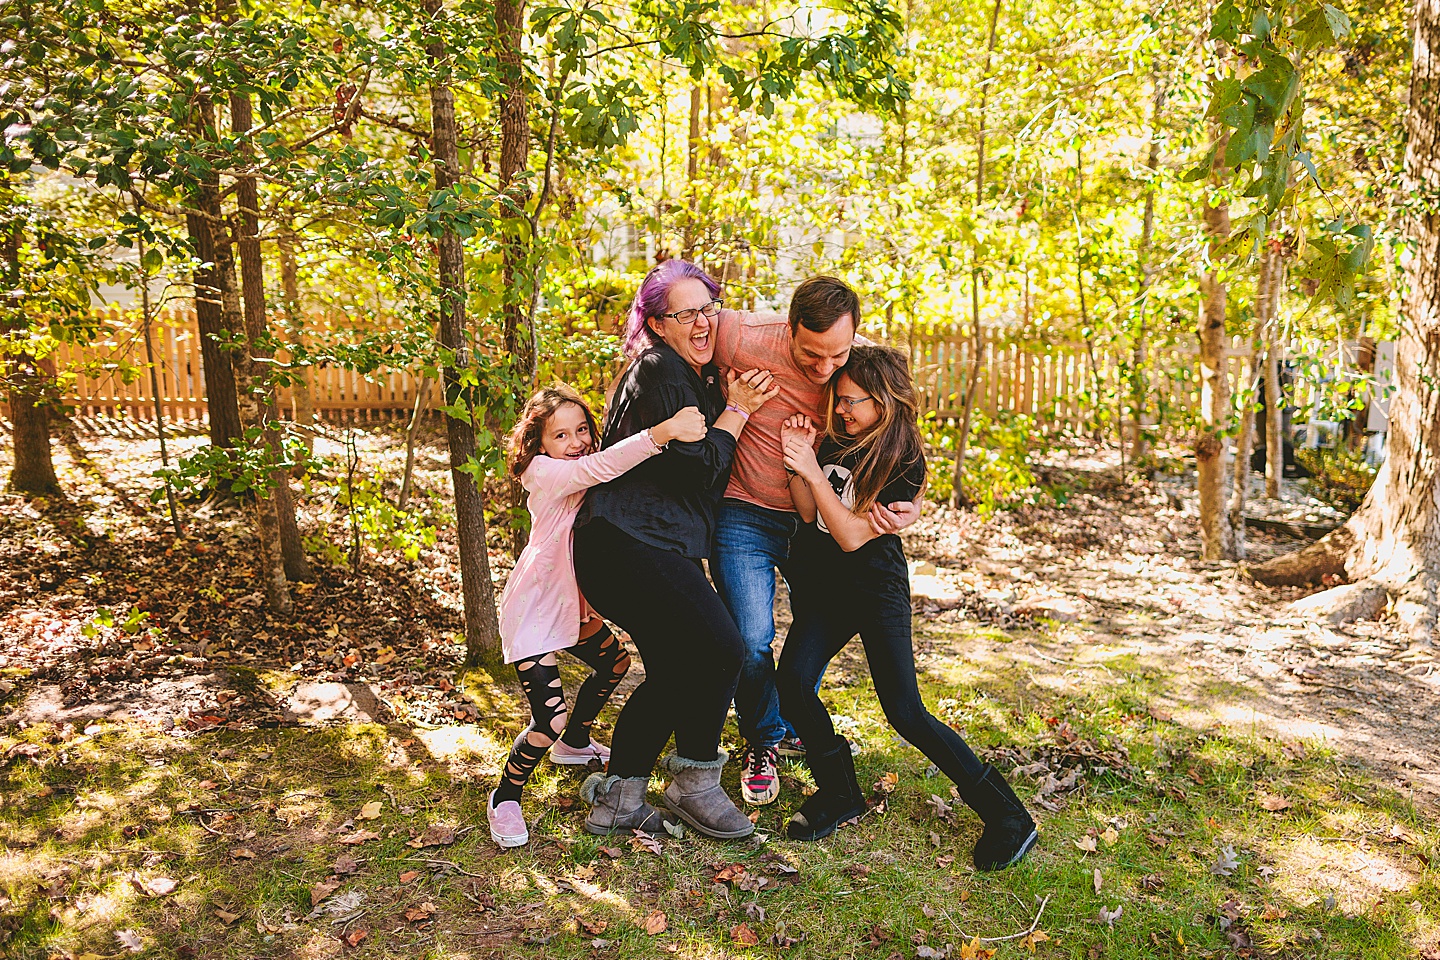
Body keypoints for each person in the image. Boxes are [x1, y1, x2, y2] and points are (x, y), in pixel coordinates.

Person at [776, 346, 1038, 871]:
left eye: (853, 401)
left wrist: (810, 466)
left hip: (874, 588)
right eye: (839, 399)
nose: (842, 409)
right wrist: (798, 459)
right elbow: (809, 514)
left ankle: (1008, 815)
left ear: (885, 402)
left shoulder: (903, 461)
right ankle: (839, 792)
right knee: (794, 684)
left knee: (904, 711)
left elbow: (851, 536)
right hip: (827, 590)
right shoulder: (837, 440)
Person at [573, 259, 780, 839]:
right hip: (630, 543)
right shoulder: (660, 369)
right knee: (722, 649)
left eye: (707, 309)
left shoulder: (691, 377)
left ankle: (619, 798)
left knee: (672, 672)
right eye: (684, 314)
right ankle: (695, 783)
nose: (700, 323)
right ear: (657, 324)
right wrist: (738, 412)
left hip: (646, 544)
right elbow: (703, 470)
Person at [710, 279, 922, 806]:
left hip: (819, 524)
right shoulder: (740, 334)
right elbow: (667, 332)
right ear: (789, 329)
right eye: (812, 354)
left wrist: (915, 499)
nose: (827, 369)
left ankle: (793, 716)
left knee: (810, 637)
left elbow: (894, 421)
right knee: (751, 636)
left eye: (839, 354)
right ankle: (763, 739)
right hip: (748, 510)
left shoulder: (856, 363)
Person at [487, 384, 709, 848]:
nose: (576, 442)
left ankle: (575, 742)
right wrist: (663, 431)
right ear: (539, 444)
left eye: (582, 429)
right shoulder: (543, 472)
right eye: (561, 435)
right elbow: (599, 466)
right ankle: (505, 796)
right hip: (537, 608)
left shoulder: (582, 464)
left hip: (575, 602)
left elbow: (615, 464)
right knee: (546, 719)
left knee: (615, 664)